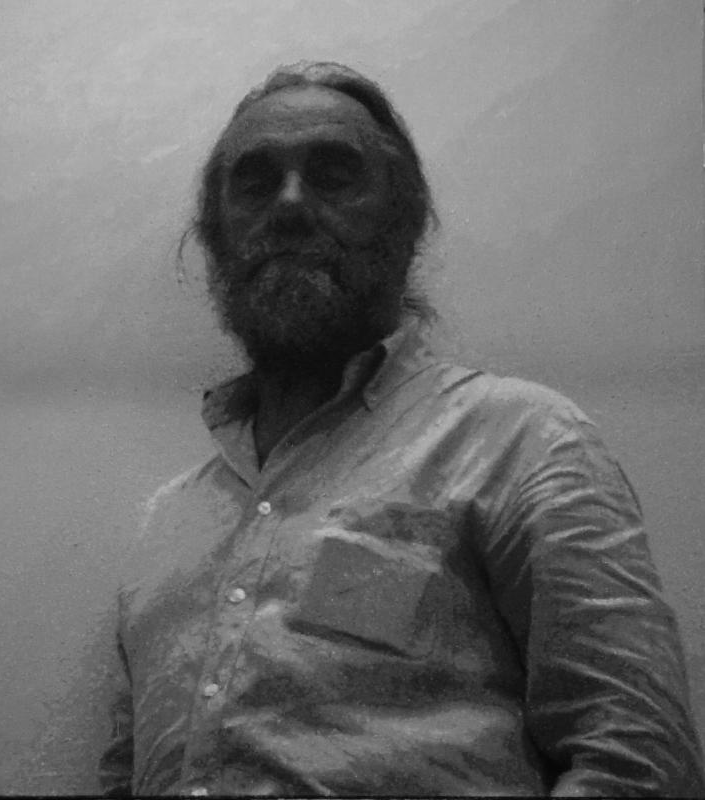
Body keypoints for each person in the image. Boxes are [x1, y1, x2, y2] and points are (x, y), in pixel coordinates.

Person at [98, 62, 705, 797]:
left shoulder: (521, 441)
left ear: (406, 220)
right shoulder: (168, 522)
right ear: (215, 234)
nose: (289, 204)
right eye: (254, 183)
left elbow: (638, 761)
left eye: (333, 175)